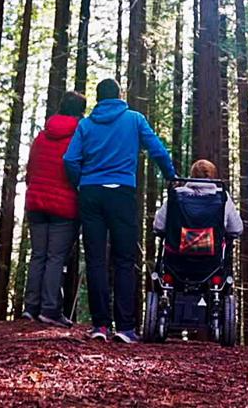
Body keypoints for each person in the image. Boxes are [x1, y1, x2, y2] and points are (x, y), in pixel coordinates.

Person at [63, 78, 176, 343]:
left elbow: (70, 159)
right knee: (124, 260)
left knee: (95, 259)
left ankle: (100, 326)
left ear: (98, 98)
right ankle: (125, 328)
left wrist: (81, 182)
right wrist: (171, 175)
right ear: (120, 95)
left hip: (91, 194)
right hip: (122, 193)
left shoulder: (86, 124)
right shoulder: (134, 119)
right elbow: (158, 150)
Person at [20, 91, 86, 326]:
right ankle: (49, 309)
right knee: (55, 257)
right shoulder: (79, 137)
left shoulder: (41, 137)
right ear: (80, 111)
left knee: (38, 255)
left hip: (36, 203)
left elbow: (30, 170)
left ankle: (31, 308)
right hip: (64, 205)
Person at [153, 159, 243, 237]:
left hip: (177, 254)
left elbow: (159, 226)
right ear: (213, 176)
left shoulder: (177, 195)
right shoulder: (222, 197)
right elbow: (236, 229)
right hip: (212, 255)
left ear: (192, 175)